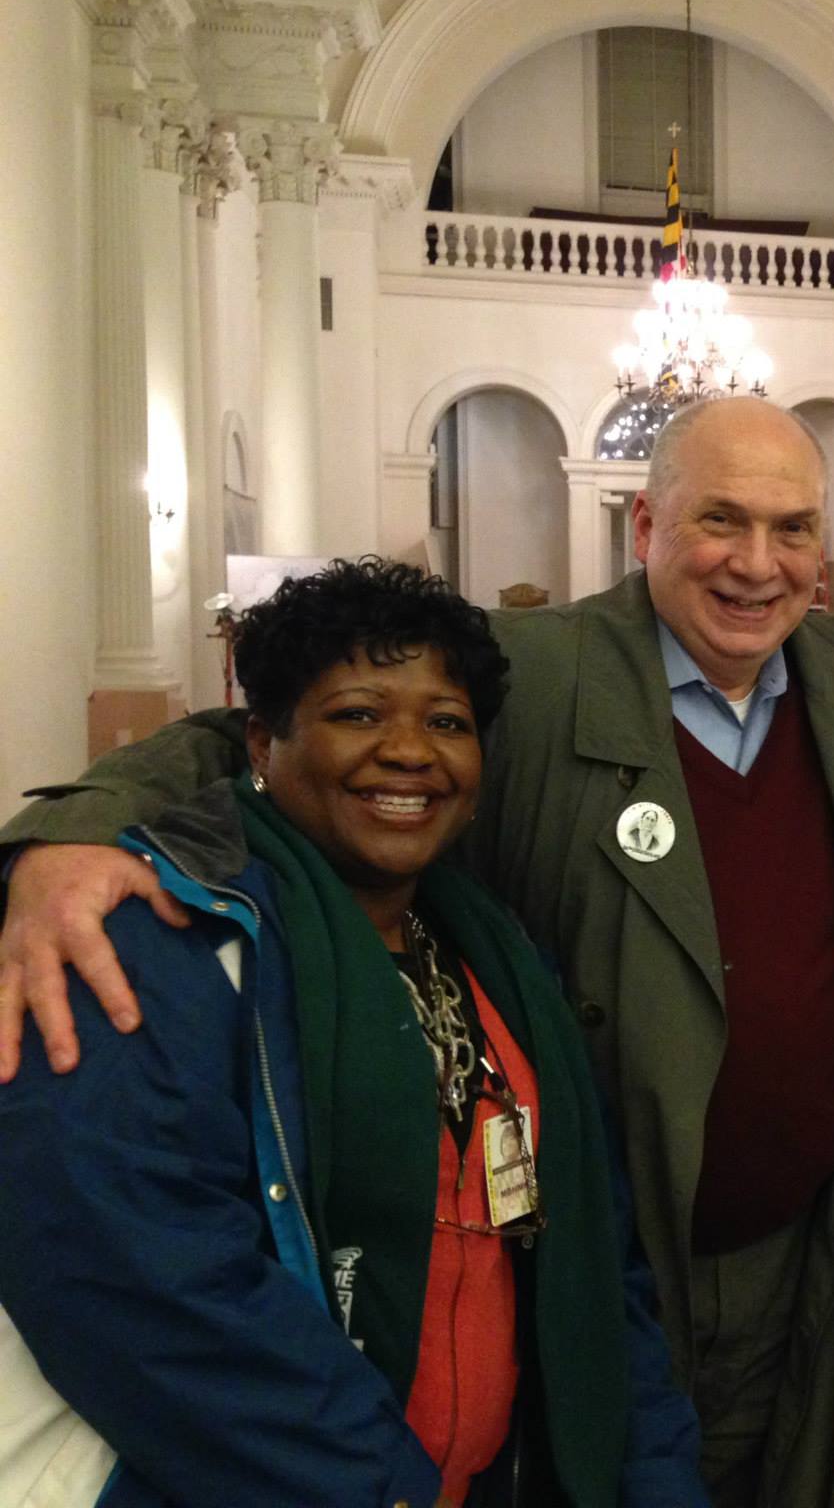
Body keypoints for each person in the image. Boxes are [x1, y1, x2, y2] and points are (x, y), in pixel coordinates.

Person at [0, 397, 834, 1508]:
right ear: (644, 528)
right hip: (606, 1245)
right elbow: (247, 733)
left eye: (792, 528)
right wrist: (69, 834)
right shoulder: (530, 671)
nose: (757, 563)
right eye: (720, 520)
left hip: (792, 1254)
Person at [0, 558, 709, 1507]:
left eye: (447, 723)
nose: (410, 751)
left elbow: (600, 1266)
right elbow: (145, 1290)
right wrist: (381, 1488)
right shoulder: (154, 942)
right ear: (261, 740)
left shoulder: (497, 961)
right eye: (358, 714)